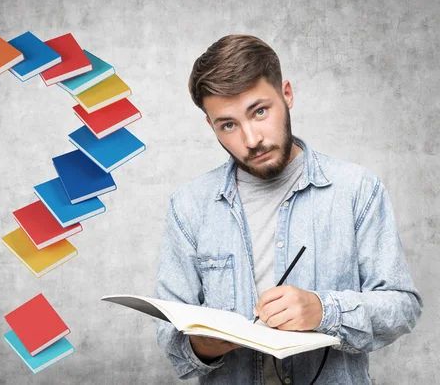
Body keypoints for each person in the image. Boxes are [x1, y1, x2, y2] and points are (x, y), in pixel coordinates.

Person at [153, 34, 423, 385]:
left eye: (260, 111)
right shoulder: (188, 206)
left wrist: (325, 311)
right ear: (211, 126)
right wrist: (202, 345)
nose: (251, 140)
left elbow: (403, 307)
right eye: (229, 125)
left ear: (288, 95)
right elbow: (172, 342)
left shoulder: (357, 189)